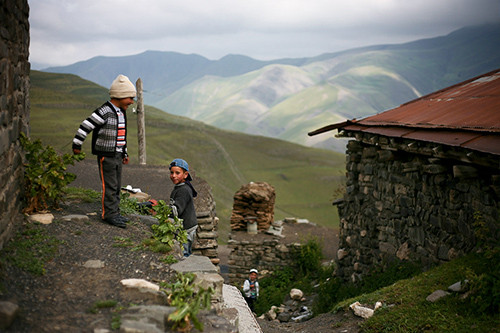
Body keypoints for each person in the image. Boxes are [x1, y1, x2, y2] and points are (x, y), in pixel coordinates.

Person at [72, 74, 136, 229]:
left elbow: (121, 135)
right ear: (120, 96)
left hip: (117, 155)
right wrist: (77, 144)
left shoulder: (121, 112)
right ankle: (109, 215)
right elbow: (86, 125)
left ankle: (115, 211)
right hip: (106, 156)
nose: (132, 102)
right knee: (110, 186)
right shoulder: (105, 111)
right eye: (130, 98)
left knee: (117, 185)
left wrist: (124, 153)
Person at [168, 158, 198, 257]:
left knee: (184, 254)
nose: (173, 176)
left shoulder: (184, 190)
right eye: (172, 172)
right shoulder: (179, 187)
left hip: (187, 230)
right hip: (185, 228)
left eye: (177, 173)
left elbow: (177, 210)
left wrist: (162, 212)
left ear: (185, 175)